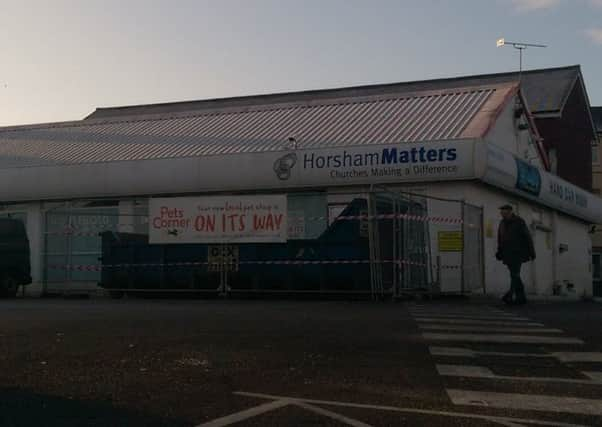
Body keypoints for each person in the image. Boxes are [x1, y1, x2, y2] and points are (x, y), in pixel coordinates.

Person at [496, 204, 536, 305]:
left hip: (518, 253)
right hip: (507, 253)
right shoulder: (502, 223)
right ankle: (521, 298)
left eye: (503, 212)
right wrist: (499, 251)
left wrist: (532, 252)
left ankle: (509, 295)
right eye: (501, 212)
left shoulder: (519, 221)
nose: (501, 213)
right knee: (514, 275)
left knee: (515, 274)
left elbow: (527, 237)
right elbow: (500, 239)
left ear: (509, 212)